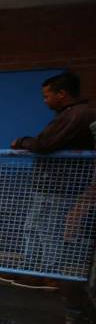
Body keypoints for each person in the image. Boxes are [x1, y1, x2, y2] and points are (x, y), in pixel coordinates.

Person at [12, 73, 96, 277]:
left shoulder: (76, 115)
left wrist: (22, 141)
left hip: (59, 185)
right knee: (33, 227)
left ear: (62, 94)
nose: (45, 101)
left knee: (49, 229)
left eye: (47, 96)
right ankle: (29, 269)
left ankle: (49, 275)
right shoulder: (71, 114)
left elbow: (43, 144)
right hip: (50, 184)